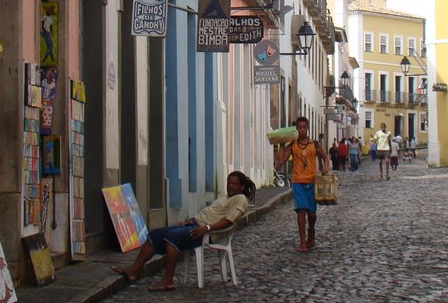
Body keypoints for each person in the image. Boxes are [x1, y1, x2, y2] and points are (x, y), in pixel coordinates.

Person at [111, 171, 256, 291]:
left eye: (234, 184)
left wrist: (206, 228)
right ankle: (133, 271)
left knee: (172, 237)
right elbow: (211, 213)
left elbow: (228, 221)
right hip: (194, 225)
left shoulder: (240, 199)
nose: (230, 186)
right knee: (155, 234)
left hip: (205, 233)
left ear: (242, 187)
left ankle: (168, 280)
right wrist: (189, 221)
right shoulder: (226, 197)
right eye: (229, 182)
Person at [275, 116, 330, 252]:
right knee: (301, 211)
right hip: (298, 181)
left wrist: (325, 168)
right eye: (299, 127)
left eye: (304, 127)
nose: (302, 130)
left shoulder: (314, 144)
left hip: (312, 181)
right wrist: (281, 144)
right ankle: (302, 242)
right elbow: (281, 161)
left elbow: (325, 157)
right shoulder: (292, 145)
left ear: (308, 128)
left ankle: (311, 231)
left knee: (311, 214)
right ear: (296, 129)